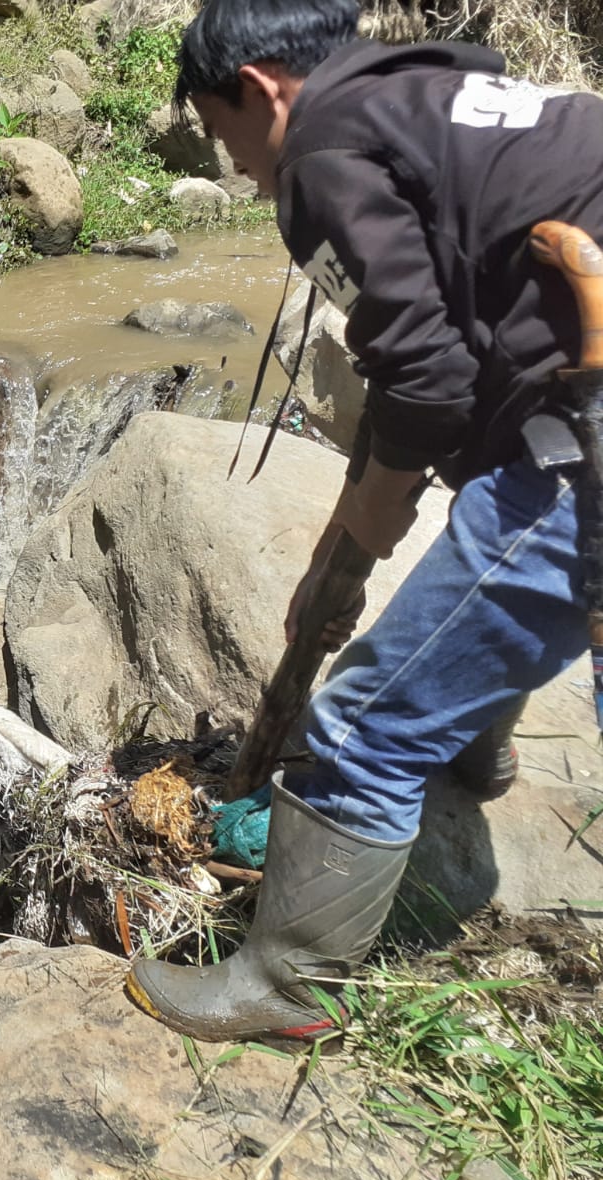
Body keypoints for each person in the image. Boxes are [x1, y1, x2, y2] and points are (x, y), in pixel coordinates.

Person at [126, 0, 603, 1041]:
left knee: (361, 726)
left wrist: (359, 536)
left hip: (589, 435)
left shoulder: (323, 148)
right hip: (567, 392)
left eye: (221, 136)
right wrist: (354, 526)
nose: (240, 171)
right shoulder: (426, 93)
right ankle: (477, 746)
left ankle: (286, 989)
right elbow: (468, 362)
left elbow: (427, 386)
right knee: (484, 556)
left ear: (259, 89)